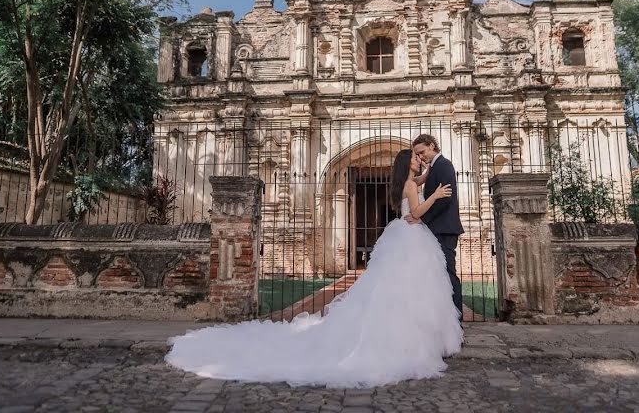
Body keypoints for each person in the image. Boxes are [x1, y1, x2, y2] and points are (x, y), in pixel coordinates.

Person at [165, 148, 463, 388]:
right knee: (408, 290)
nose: (418, 159)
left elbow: (420, 181)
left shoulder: (409, 182)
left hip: (405, 236)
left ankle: (406, 335)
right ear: (406, 165)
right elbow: (419, 208)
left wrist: (429, 169)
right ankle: (406, 340)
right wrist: (435, 195)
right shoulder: (411, 185)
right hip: (412, 235)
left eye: (418, 156)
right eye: (414, 156)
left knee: (399, 291)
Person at [407, 133, 465, 319]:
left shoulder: (444, 165)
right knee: (439, 275)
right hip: (437, 228)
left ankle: (457, 322)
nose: (421, 157)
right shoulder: (434, 167)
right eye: (418, 155)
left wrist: (422, 219)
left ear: (432, 146)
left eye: (422, 152)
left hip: (444, 229)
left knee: (449, 275)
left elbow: (444, 200)